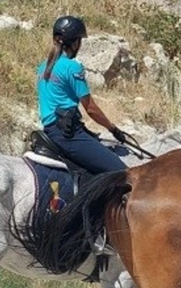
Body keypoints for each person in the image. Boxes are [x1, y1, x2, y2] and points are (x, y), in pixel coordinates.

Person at [37, 15, 127, 174]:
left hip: (50, 130)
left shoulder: (43, 67)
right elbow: (91, 109)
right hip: (68, 134)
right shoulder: (72, 67)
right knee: (122, 173)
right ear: (75, 43)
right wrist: (113, 129)